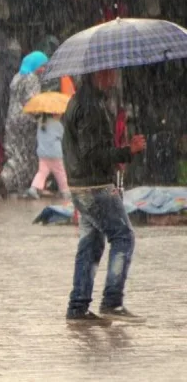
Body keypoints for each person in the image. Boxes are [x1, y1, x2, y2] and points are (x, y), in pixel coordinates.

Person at [63, 69, 146, 323]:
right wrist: (126, 152)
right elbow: (93, 154)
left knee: (90, 243)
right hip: (95, 186)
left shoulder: (82, 101)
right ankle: (112, 300)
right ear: (98, 74)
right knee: (123, 236)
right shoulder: (90, 107)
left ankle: (78, 306)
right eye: (110, 73)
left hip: (80, 186)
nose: (114, 78)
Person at [0, 51, 48, 197]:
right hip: (26, 121)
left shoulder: (17, 76)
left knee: (15, 152)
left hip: (12, 119)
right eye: (42, 66)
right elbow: (33, 101)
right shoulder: (32, 79)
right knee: (27, 155)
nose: (44, 69)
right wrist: (41, 116)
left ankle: (8, 178)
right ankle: (13, 181)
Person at [25, 114, 69, 200]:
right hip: (55, 154)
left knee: (42, 173)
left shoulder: (41, 122)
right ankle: (65, 191)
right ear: (54, 113)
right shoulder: (57, 124)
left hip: (43, 153)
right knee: (60, 173)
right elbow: (63, 136)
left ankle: (33, 188)